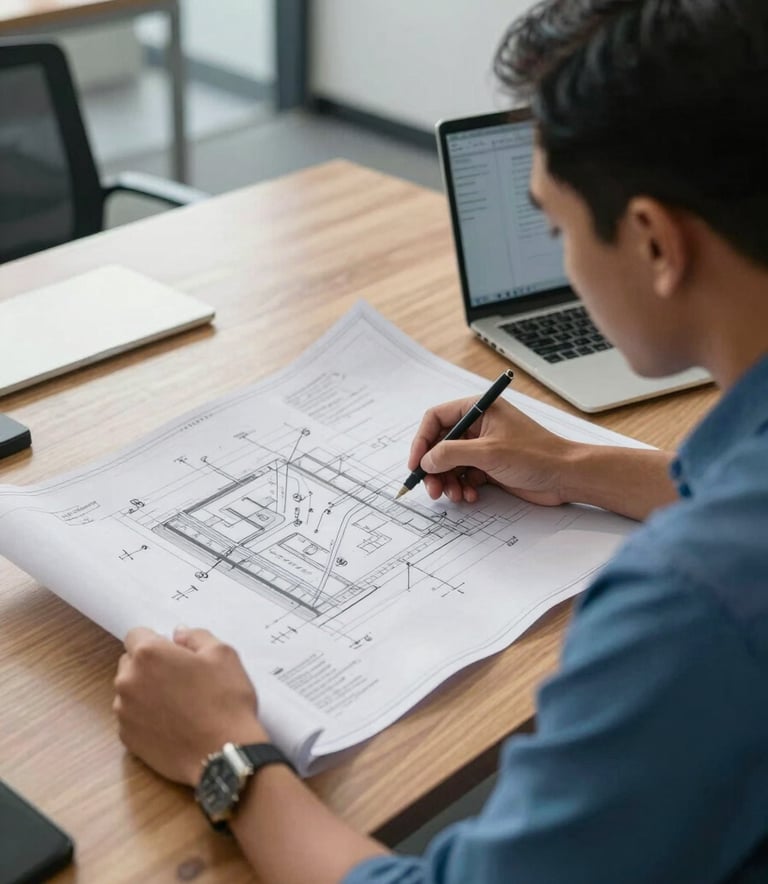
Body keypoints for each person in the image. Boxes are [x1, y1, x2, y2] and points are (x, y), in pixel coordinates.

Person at [112, 1, 768, 881]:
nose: (560, 255)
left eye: (554, 226)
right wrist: (574, 466)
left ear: (653, 241)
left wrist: (227, 756)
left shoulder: (687, 608)